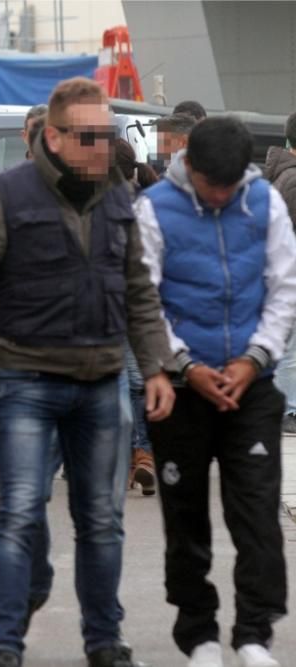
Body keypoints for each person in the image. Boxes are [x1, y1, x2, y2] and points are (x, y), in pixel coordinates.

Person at [0, 77, 176, 667]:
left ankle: (104, 644)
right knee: (20, 514)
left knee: (102, 522)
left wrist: (157, 369)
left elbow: (140, 292)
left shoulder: (119, 195)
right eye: (89, 137)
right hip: (26, 384)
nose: (102, 147)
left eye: (108, 136)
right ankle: (6, 649)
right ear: (53, 137)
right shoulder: (8, 196)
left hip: (102, 386)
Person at [137, 117, 295, 667]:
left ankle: (254, 634)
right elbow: (144, 299)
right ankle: (198, 634)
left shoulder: (266, 204)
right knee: (185, 519)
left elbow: (284, 288)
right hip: (181, 386)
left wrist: (254, 360)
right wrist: (185, 363)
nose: (222, 196)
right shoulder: (154, 207)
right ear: (190, 166)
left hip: (252, 384)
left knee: (256, 514)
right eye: (212, 186)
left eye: (232, 186)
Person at [114, 138, 161, 495]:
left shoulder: (113, 205)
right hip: (143, 305)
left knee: (126, 383)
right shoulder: (149, 201)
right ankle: (141, 455)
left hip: (118, 306)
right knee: (137, 381)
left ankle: (137, 456)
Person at [264, 110, 296, 433]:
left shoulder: (280, 174)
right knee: (291, 344)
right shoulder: (294, 178)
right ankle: (288, 410)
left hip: (280, 269)